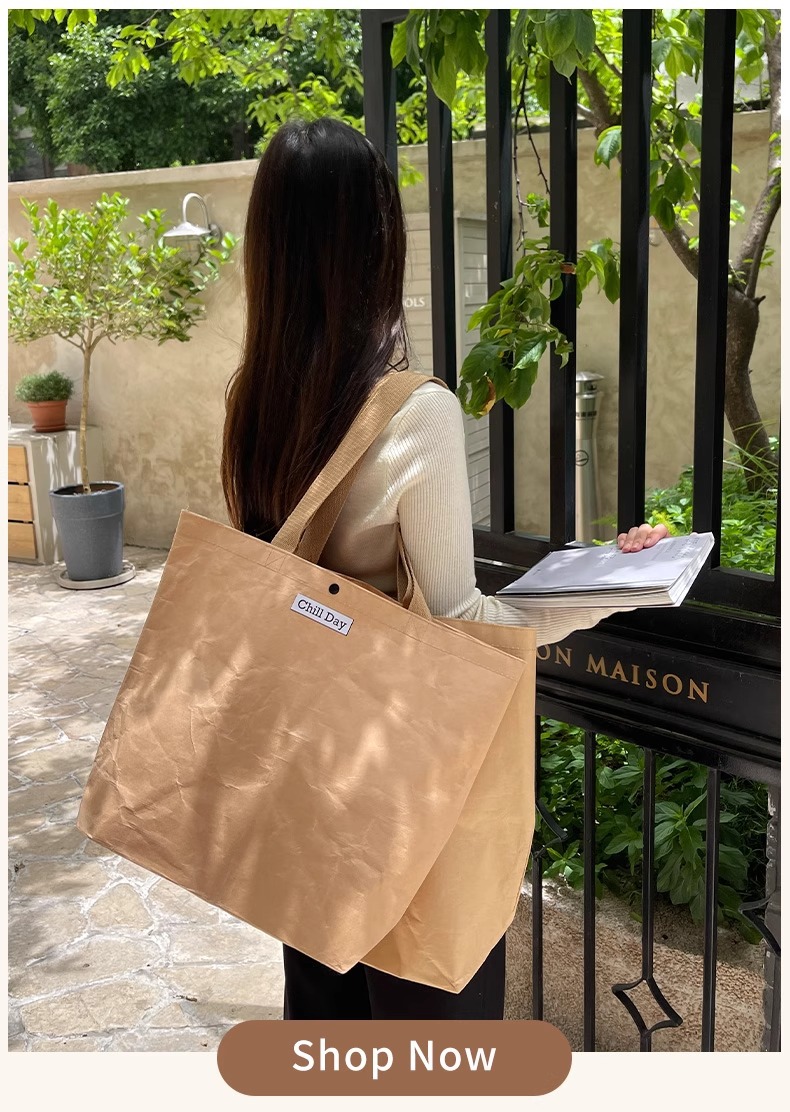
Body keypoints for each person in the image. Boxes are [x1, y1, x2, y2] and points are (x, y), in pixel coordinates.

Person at [221, 117, 668, 1022]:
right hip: (400, 789)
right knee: (430, 1032)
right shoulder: (412, 411)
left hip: (306, 777)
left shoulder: (252, 405)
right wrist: (602, 591)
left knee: (329, 1020)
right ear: (374, 243)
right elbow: (460, 627)